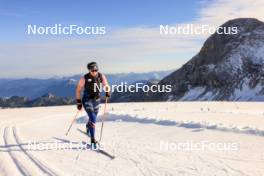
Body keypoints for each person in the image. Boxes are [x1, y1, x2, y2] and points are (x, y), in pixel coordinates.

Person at [76, 62, 110, 148]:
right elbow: (78, 90)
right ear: (89, 70)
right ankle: (92, 139)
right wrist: (79, 102)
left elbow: (106, 85)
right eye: (93, 70)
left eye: (96, 70)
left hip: (97, 100)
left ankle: (88, 125)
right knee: (93, 118)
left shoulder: (101, 76)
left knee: (93, 117)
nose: (95, 72)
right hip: (87, 100)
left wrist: (107, 90)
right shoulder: (84, 78)